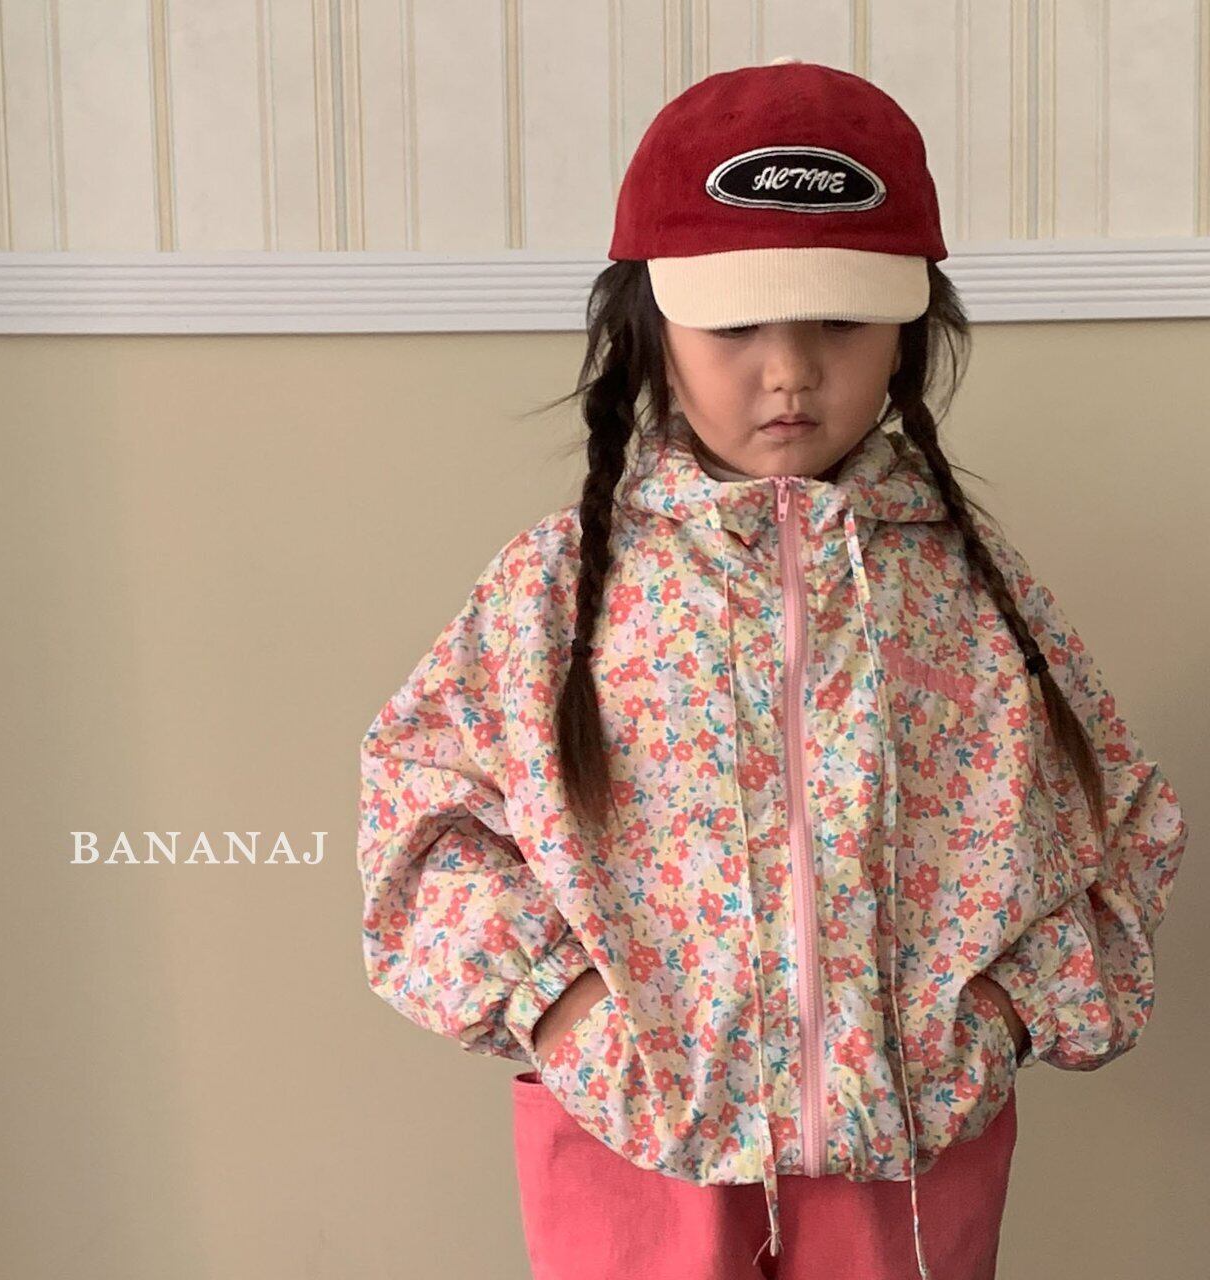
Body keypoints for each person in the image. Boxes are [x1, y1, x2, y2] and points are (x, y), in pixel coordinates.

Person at [356, 57, 1189, 1280]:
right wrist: (563, 1008)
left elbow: (1115, 822)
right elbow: (418, 817)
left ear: (906, 332)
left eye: (839, 322)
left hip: (907, 1166)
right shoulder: (556, 590)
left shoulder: (966, 590)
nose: (789, 368)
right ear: (650, 328)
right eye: (735, 324)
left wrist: (1004, 1014)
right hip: (635, 1154)